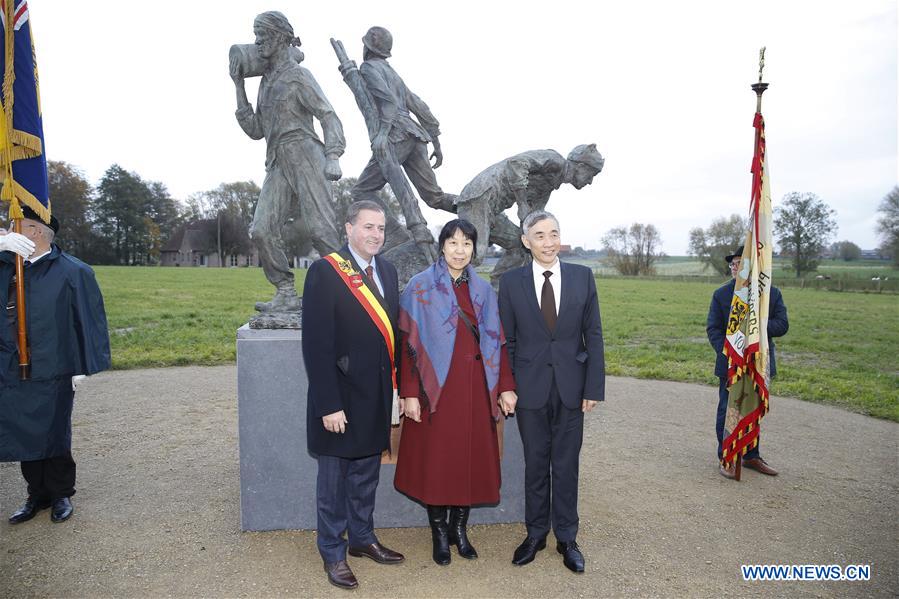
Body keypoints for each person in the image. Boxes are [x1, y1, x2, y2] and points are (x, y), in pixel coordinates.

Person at [395, 219, 517, 566]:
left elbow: (498, 343)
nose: (459, 250)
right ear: (442, 246)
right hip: (436, 391)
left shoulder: (483, 290)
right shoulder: (420, 287)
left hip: (476, 390)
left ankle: (459, 530)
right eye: (453, 243)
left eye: (466, 244)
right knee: (438, 461)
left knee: (468, 460)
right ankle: (438, 533)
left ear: (474, 249)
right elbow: (407, 347)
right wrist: (409, 393)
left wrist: (505, 386)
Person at [301, 200, 404, 590]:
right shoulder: (326, 272)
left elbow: (391, 336)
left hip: (375, 395)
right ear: (348, 229)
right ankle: (332, 551)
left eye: (381, 228)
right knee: (333, 483)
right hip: (340, 400)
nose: (376, 235)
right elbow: (316, 344)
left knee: (366, 477)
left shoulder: (389, 272)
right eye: (368, 227)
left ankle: (362, 538)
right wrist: (328, 403)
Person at [498, 210, 605, 574]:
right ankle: (535, 534)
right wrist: (507, 387)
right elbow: (506, 341)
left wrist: (593, 387)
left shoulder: (582, 277)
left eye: (554, 234)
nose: (548, 242)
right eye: (540, 235)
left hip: (572, 389)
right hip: (529, 392)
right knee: (535, 466)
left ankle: (567, 538)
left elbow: (594, 335)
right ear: (526, 241)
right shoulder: (511, 283)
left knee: (566, 465)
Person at [0, 207, 110, 524]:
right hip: (12, 365)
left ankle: (60, 493)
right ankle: (36, 495)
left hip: (55, 366)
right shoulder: (7, 266)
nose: (9, 230)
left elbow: (88, 321)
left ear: (36, 231)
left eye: (16, 226)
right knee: (23, 431)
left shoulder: (74, 271)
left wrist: (82, 367)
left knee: (53, 430)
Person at [231, 11, 346, 313]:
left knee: (322, 232)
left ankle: (351, 294)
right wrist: (239, 85)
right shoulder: (265, 82)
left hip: (306, 154)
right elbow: (256, 130)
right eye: (255, 35)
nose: (257, 41)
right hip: (277, 160)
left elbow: (328, 115)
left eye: (263, 34)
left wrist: (333, 154)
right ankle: (285, 291)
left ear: (281, 37)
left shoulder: (298, 76)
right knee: (261, 229)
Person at [351, 26, 457, 245]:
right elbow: (418, 104)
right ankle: (471, 206)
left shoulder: (369, 68)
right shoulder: (392, 72)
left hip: (396, 133)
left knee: (361, 190)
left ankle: (397, 234)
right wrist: (435, 139)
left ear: (368, 47)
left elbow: (388, 102)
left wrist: (382, 134)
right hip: (416, 135)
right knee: (434, 197)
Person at [456, 144, 604, 284]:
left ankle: (498, 292)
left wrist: (539, 245)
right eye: (591, 175)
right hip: (478, 198)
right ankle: (438, 287)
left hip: (492, 211)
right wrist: (522, 203)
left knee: (519, 246)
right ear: (581, 166)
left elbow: (531, 220)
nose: (590, 181)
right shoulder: (555, 161)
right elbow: (516, 164)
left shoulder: (547, 187)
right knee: (476, 254)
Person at [706, 245, 789, 479]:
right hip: (731, 363)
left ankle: (751, 455)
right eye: (733, 264)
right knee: (728, 408)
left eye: (739, 264)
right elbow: (713, 328)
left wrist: (757, 328)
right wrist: (729, 350)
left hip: (759, 362)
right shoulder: (721, 294)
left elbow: (782, 325)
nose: (735, 268)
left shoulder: (771, 294)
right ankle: (728, 456)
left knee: (753, 408)